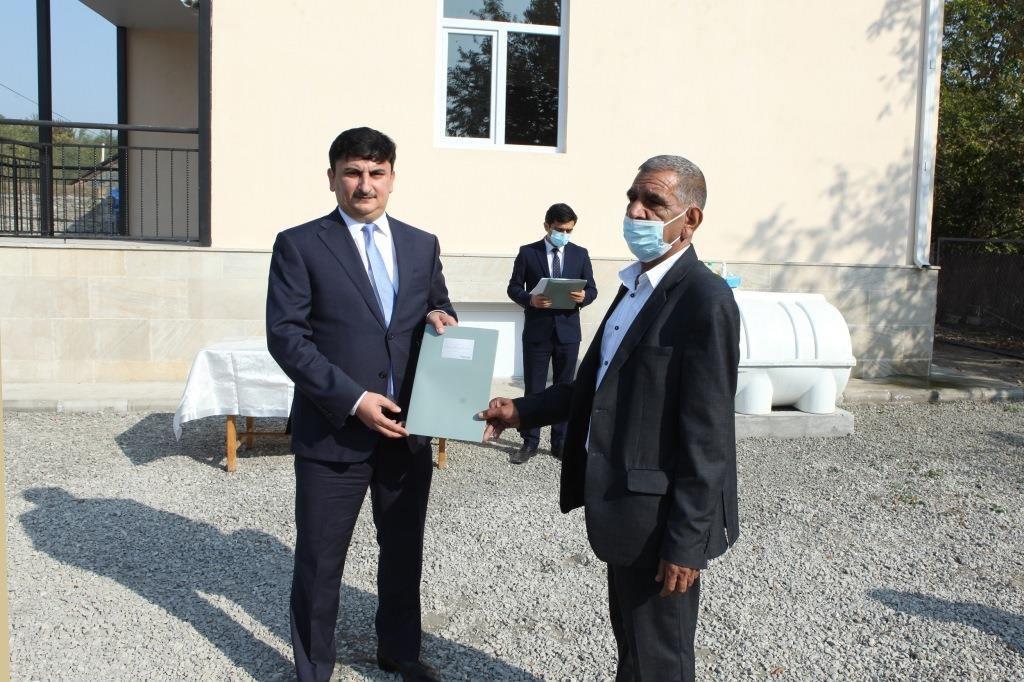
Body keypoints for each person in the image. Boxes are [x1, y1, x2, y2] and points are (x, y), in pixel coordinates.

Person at [480, 155, 740, 681]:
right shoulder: (634, 287)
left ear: (690, 220)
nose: (635, 211)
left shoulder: (704, 301)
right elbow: (595, 385)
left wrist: (685, 544)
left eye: (654, 203)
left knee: (661, 660)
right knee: (633, 649)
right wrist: (522, 410)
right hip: (623, 509)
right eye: (632, 198)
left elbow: (709, 436)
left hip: (660, 522)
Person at [266, 127, 456, 682]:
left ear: (392, 178)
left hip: (406, 428)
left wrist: (441, 318)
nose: (364, 185)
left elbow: (437, 307)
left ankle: (399, 652)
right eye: (352, 172)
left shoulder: (421, 244)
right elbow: (287, 336)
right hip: (334, 432)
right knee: (320, 560)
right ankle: (313, 668)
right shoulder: (300, 244)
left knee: (403, 552)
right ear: (332, 178)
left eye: (376, 173)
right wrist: (353, 400)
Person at [506, 203, 597, 464]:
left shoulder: (580, 254)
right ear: (547, 226)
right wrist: (530, 299)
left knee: (565, 388)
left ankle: (560, 442)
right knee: (534, 388)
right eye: (560, 229)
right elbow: (513, 287)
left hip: (568, 333)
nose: (564, 234)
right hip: (538, 332)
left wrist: (583, 297)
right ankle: (530, 441)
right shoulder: (528, 252)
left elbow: (592, 290)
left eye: (569, 230)